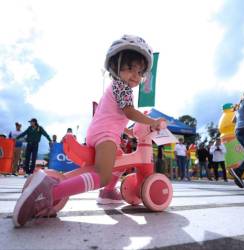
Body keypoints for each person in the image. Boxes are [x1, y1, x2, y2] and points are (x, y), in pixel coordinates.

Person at [13, 34, 165, 227]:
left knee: (118, 157)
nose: (135, 76)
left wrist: (129, 133)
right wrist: (153, 122)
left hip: (99, 132)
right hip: (105, 134)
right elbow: (129, 112)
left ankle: (108, 193)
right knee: (103, 175)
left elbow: (115, 116)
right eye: (129, 68)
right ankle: (49, 193)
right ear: (115, 67)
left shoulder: (115, 88)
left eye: (140, 71)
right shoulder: (123, 87)